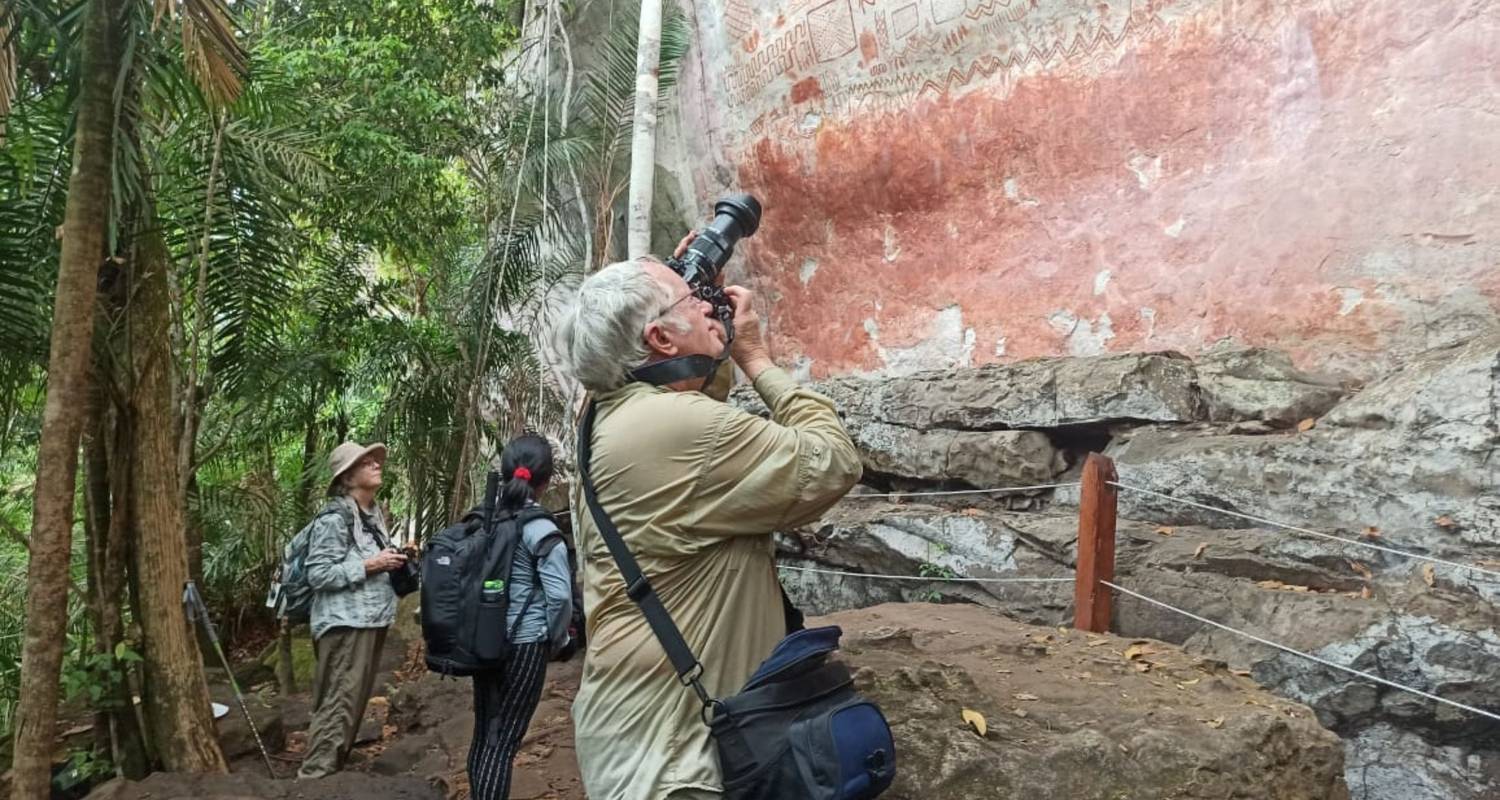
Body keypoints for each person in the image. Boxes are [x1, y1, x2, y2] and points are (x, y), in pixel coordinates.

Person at [554, 254, 863, 800]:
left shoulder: (609, 416)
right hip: (675, 762)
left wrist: (697, 314)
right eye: (690, 299)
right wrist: (752, 354)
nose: (705, 303)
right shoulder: (672, 429)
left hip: (639, 736)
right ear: (660, 338)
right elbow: (833, 461)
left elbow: (692, 395)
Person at [466, 434, 575, 800]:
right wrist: (559, 639)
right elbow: (559, 597)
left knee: (485, 734)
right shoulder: (542, 528)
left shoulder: (487, 519)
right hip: (525, 643)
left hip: (484, 639)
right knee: (505, 741)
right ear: (546, 481)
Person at [297, 441, 407, 779]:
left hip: (371, 619)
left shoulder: (372, 513)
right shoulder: (334, 518)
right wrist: (372, 564)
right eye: (366, 462)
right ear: (347, 478)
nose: (376, 464)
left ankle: (335, 768)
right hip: (345, 623)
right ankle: (314, 776)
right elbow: (317, 573)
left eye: (375, 460)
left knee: (354, 701)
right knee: (338, 702)